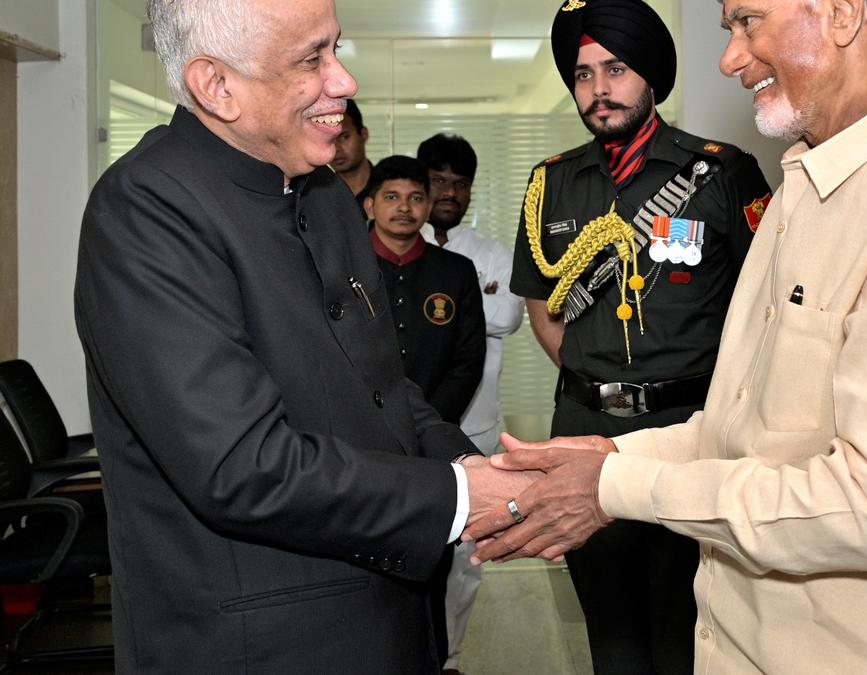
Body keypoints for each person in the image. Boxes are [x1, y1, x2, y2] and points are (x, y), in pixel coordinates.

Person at [470, 1, 867, 672]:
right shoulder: (805, 185)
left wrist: (614, 486)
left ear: (841, 15)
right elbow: (741, 427)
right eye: (729, 29)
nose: (730, 58)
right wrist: (602, 455)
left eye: (748, 22)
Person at [75, 0, 529, 671]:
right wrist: (458, 499)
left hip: (393, 619)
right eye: (310, 59)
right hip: (265, 645)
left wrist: (472, 468)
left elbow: (384, 386)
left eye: (335, 50)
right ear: (216, 85)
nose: (343, 80)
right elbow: (241, 465)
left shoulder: (323, 197)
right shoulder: (147, 211)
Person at [507, 1, 772, 672]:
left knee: (695, 627)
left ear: (650, 75)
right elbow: (543, 304)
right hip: (585, 427)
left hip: (696, 429)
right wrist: (598, 378)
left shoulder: (721, 172)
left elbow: (767, 304)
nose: (599, 90)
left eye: (616, 69)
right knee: (613, 633)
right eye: (583, 74)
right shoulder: (552, 184)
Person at [416, 132, 524, 675]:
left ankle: (451, 659)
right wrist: (468, 300)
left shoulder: (490, 252)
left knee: (465, 558)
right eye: (438, 182)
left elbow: (507, 317)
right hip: (412, 429)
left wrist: (449, 310)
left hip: (475, 428)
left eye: (460, 184)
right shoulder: (398, 244)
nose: (449, 193)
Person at [367, 155, 486, 426]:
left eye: (416, 198)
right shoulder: (344, 266)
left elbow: (468, 361)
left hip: (436, 427)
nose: (405, 208)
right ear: (370, 206)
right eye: (392, 197)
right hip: (361, 429)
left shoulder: (457, 271)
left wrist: (429, 423)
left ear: (429, 206)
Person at [332, 97, 373, 213]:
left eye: (344, 137)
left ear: (364, 134)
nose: (336, 148)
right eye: (329, 140)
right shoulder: (316, 194)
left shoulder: (387, 188)